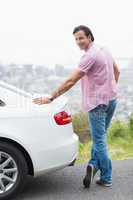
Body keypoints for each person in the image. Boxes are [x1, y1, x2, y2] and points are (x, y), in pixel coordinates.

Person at [32, 25, 120, 188]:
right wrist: (110, 90)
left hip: (97, 104)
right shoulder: (104, 49)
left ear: (90, 37)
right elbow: (117, 71)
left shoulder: (89, 57)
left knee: (99, 140)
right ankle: (93, 165)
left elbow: (71, 81)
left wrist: (51, 97)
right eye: (76, 39)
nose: (78, 42)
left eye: (81, 38)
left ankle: (106, 177)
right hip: (112, 100)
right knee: (101, 136)